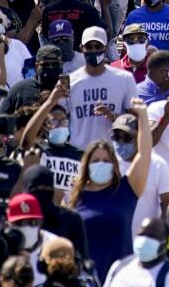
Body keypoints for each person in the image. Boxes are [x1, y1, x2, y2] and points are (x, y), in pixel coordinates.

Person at [66, 97, 152, 281]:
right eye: (96, 161)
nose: (101, 164)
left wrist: (143, 116)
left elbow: (145, 154)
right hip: (83, 280)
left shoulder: (126, 191)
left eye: (106, 161)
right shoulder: (73, 196)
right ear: (86, 165)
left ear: (114, 165)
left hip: (121, 280)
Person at [102, 217, 169, 287]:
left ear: (164, 244)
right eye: (141, 235)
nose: (144, 241)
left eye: (151, 236)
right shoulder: (120, 265)